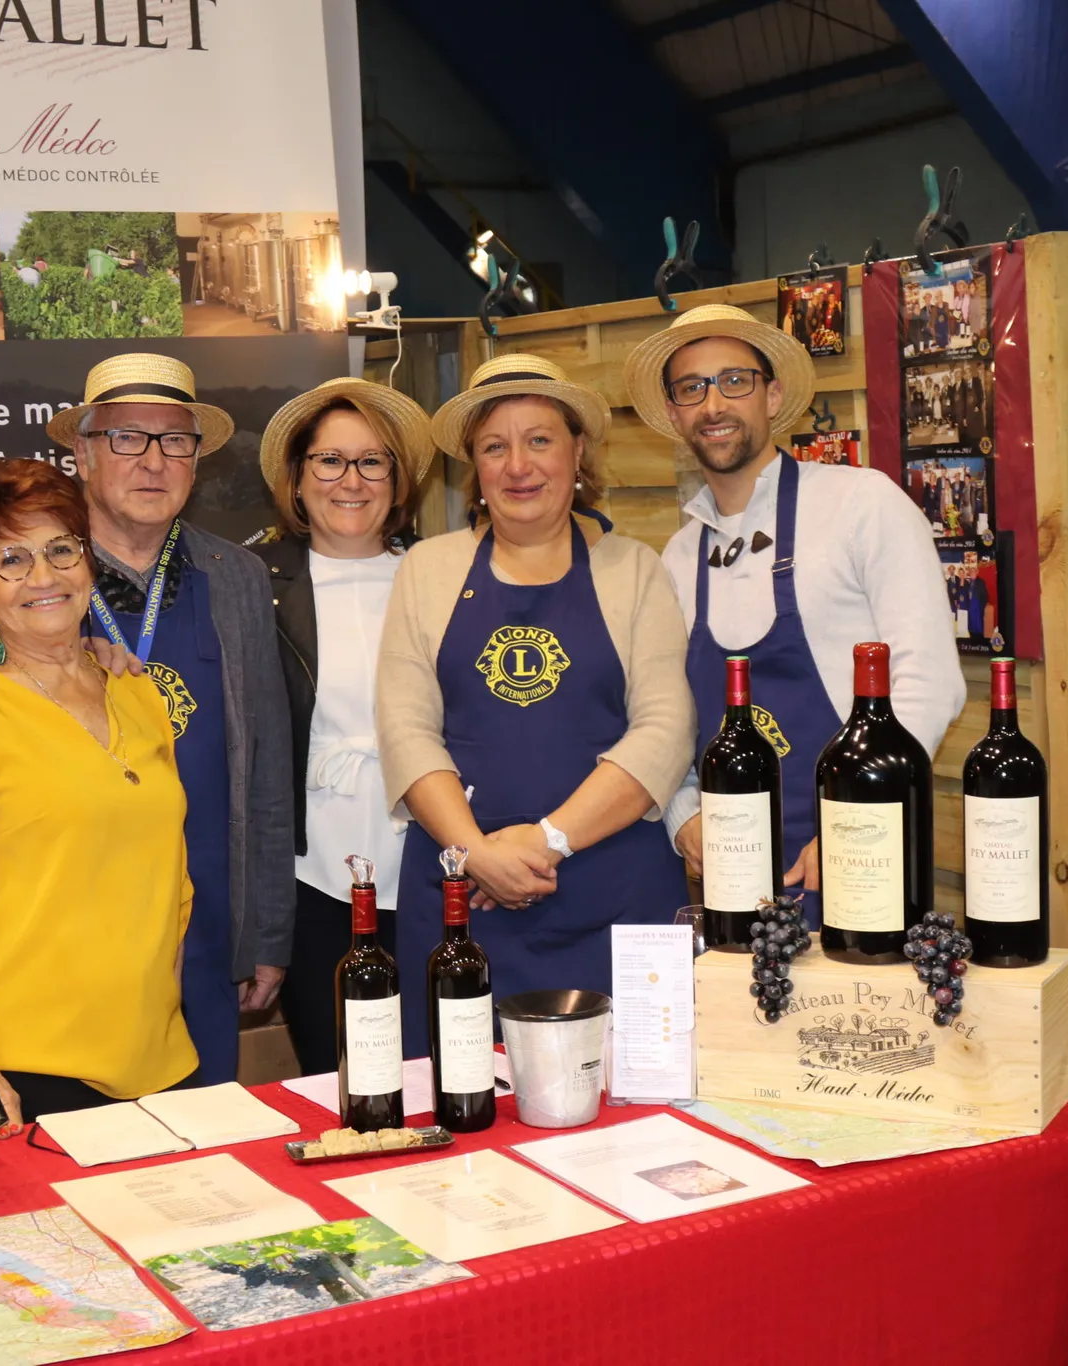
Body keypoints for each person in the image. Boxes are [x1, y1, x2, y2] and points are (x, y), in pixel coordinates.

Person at [378, 354, 694, 1056]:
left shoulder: (634, 569)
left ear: (578, 451)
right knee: (458, 1097)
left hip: (612, 893)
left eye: (540, 440)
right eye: (495, 446)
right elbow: (406, 731)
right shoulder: (427, 570)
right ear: (474, 466)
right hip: (463, 899)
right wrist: (475, 852)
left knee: (628, 1101)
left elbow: (666, 730)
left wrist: (545, 841)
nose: (518, 465)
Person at [619, 304, 963, 926]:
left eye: (735, 381)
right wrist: (683, 815)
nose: (713, 404)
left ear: (772, 396)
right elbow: (667, 714)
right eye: (692, 388)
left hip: (863, 858)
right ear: (673, 413)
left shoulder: (861, 506)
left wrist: (854, 823)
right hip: (733, 877)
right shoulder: (680, 556)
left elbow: (930, 681)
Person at [0, 459, 194, 1127]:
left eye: (61, 549)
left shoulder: (138, 692)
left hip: (162, 1062)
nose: (44, 576)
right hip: (29, 1076)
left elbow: (171, 879)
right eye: (11, 560)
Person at [54, 353, 293, 1087]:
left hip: (209, 928)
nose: (154, 462)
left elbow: (267, 766)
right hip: (77, 929)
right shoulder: (37, 579)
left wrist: (268, 931)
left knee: (209, 1138)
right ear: (84, 455)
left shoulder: (237, 577)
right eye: (128, 438)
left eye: (176, 441)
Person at [247, 377, 432, 1077]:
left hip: (433, 862)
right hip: (310, 876)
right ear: (296, 479)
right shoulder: (252, 585)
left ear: (398, 479)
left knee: (441, 1064)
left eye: (372, 461)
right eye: (329, 461)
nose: (351, 481)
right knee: (344, 1074)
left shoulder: (442, 574)